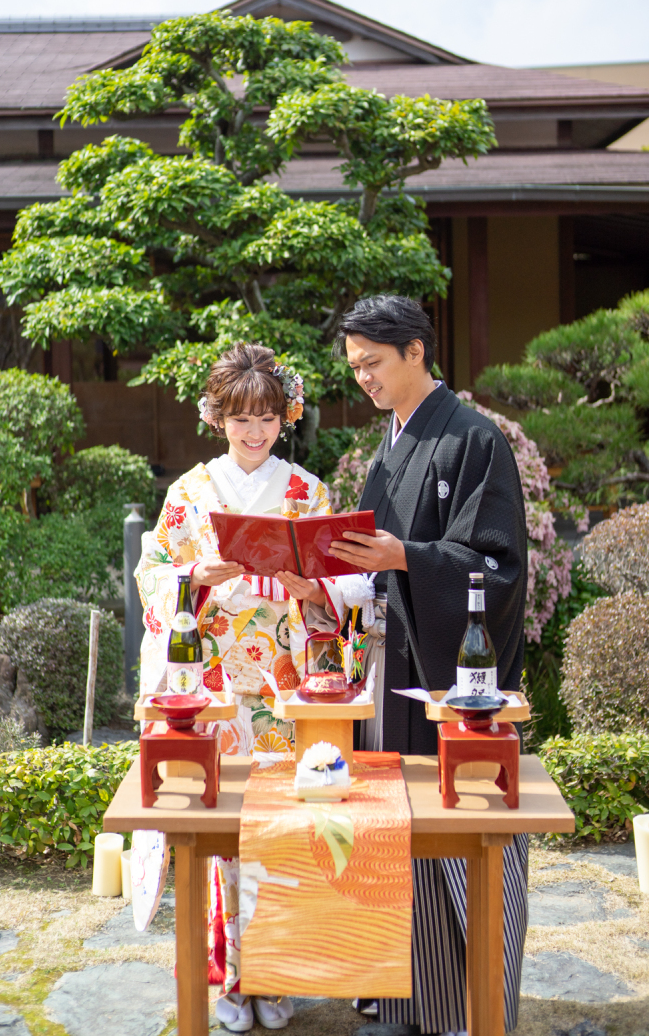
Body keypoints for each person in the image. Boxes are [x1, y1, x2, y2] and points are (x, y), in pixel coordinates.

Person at [329, 294, 528, 1036]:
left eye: (373, 364)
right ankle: (409, 998)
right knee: (396, 833)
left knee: (459, 836)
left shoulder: (475, 438)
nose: (364, 381)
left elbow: (499, 567)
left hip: (450, 678)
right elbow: (371, 565)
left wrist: (406, 557)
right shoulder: (391, 443)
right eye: (355, 369)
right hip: (395, 666)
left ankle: (472, 1009)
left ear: (417, 351)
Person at [135, 342, 345, 1034]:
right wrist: (194, 579)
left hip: (286, 680)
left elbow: (336, 590)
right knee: (219, 830)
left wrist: (312, 587)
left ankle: (276, 972)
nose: (254, 433)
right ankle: (224, 976)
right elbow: (153, 576)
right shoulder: (188, 493)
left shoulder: (307, 491)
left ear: (286, 417)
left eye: (266, 419)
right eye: (239, 419)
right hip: (214, 677)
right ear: (216, 417)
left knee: (284, 824)